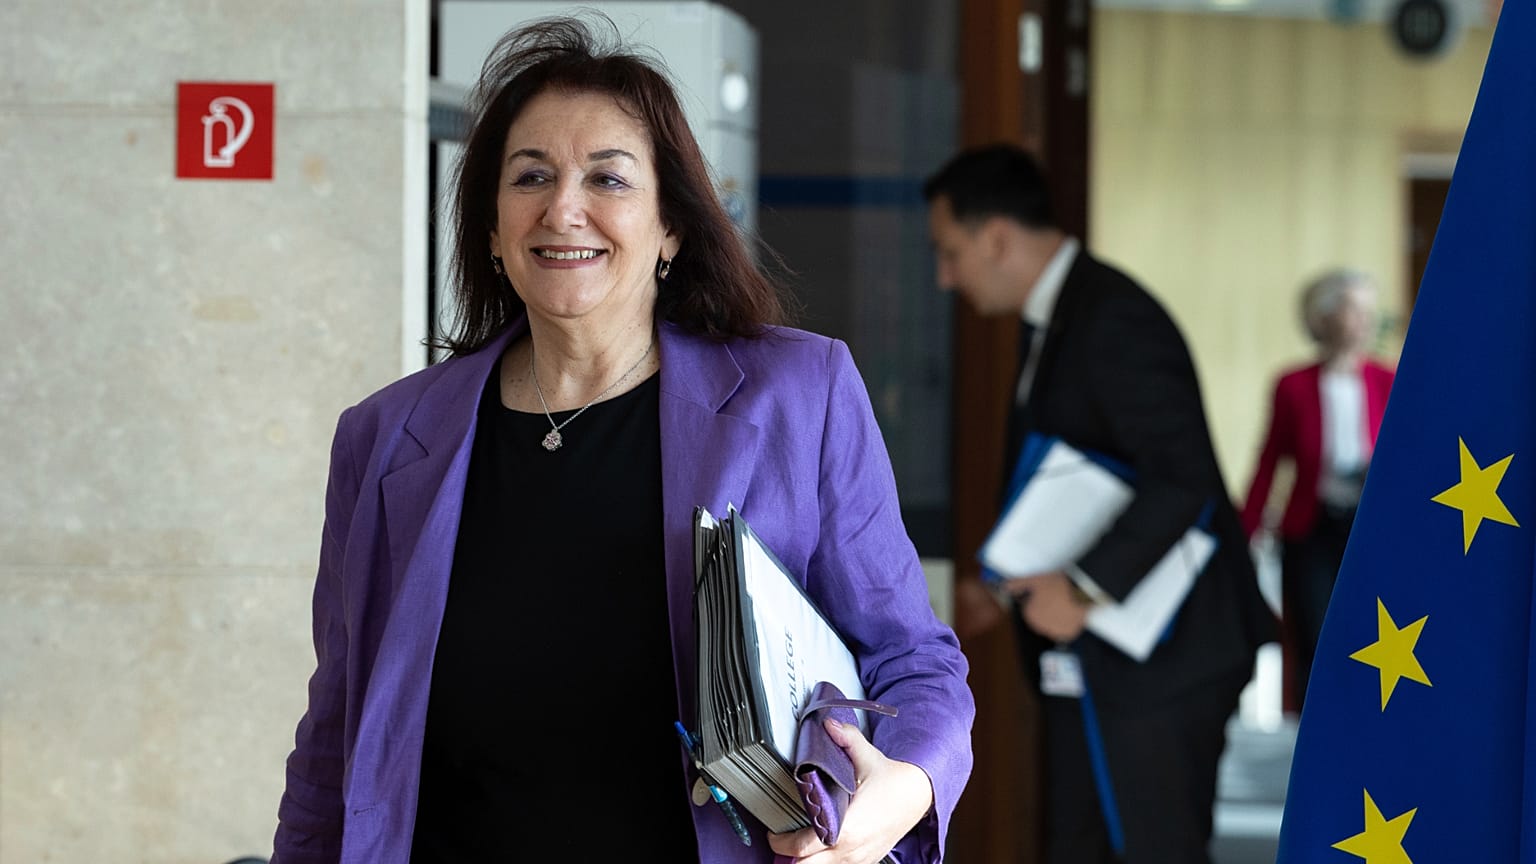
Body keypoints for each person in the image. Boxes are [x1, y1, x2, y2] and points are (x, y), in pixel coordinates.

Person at [271, 16, 973, 864]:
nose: (563, 207)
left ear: (671, 226)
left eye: (608, 178)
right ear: (493, 230)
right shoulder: (384, 440)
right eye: (531, 176)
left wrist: (907, 786)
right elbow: (333, 739)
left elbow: (914, 662)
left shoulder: (801, 394)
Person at [923, 144, 1275, 864]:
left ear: (997, 237)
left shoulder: (1112, 318)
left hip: (1168, 657)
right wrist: (1005, 586)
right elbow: (1077, 475)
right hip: (1105, 652)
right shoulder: (1056, 319)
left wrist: (1083, 587)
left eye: (950, 251)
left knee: (1152, 850)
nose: (945, 276)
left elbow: (1183, 480)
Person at [1240, 269, 1393, 713]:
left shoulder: (1388, 381)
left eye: (1369, 310)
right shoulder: (1293, 385)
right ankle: (1314, 739)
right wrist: (1244, 531)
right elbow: (1271, 460)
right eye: (1352, 309)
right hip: (1311, 528)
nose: (1364, 320)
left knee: (1373, 632)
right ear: (1323, 317)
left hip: (1371, 528)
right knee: (1317, 632)